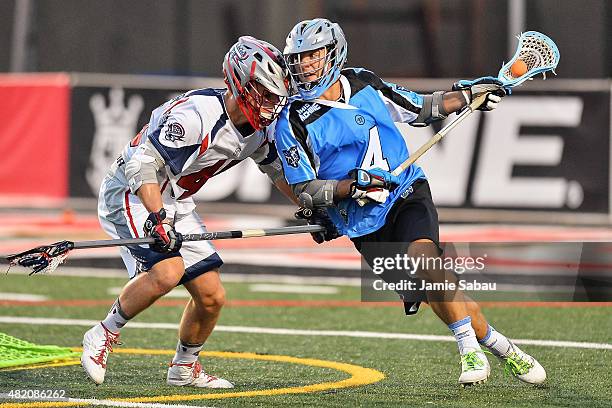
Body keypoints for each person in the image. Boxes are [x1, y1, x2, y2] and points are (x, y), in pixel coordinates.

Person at [274, 18, 546, 386]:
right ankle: (506, 349)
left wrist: (469, 95)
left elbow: (421, 107)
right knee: (438, 292)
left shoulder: (363, 82)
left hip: (405, 191)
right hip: (362, 221)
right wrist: (347, 187)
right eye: (299, 58)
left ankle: (469, 351)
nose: (304, 65)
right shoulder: (291, 119)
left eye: (313, 55)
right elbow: (305, 188)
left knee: (425, 260)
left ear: (333, 53)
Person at [81, 36, 296, 388]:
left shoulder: (263, 130)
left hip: (174, 200)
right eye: (265, 92)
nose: (271, 103)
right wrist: (157, 216)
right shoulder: (197, 115)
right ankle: (102, 333)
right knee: (167, 270)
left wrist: (310, 208)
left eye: (276, 96)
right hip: (132, 192)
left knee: (212, 297)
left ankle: (183, 368)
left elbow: (278, 173)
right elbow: (143, 165)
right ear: (241, 82)